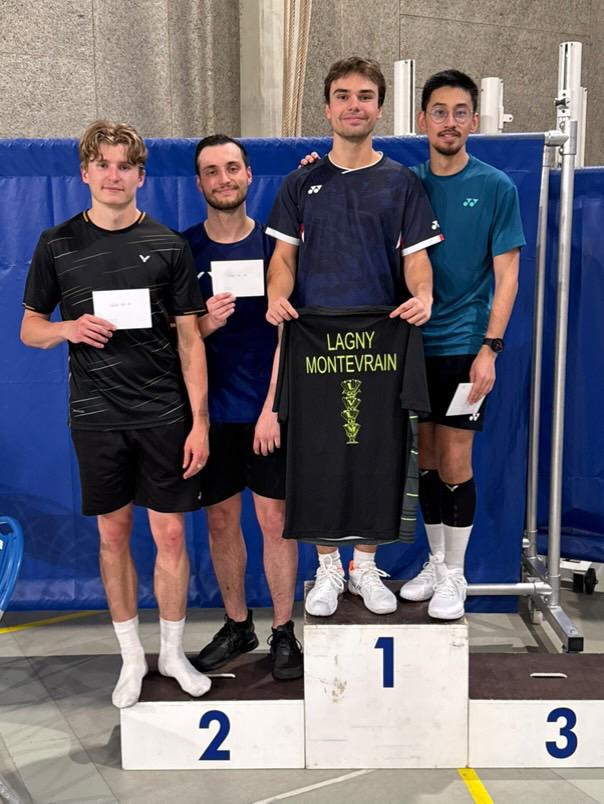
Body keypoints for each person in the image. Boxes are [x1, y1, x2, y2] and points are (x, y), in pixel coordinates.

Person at [20, 120, 212, 707]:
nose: (113, 175)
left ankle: (172, 653)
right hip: (96, 416)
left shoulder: (169, 245)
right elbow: (30, 329)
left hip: (164, 414)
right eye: (102, 164)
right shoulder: (56, 244)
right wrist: (67, 328)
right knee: (112, 533)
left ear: (140, 176)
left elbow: (190, 340)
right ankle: (131, 659)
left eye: (124, 165)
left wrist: (200, 422)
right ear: (85, 173)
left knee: (170, 533)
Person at [265, 56, 441, 618]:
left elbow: (417, 261)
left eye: (365, 96)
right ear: (327, 108)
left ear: (379, 108)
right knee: (318, 454)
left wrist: (423, 295)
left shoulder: (402, 183)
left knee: (375, 455)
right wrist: (276, 295)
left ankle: (364, 565)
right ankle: (327, 568)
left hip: (380, 344)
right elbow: (282, 259)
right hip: (314, 343)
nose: (353, 106)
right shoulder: (300, 183)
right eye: (343, 96)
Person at [399, 70, 525, 618]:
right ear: (422, 120)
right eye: (439, 112)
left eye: (459, 112)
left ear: (474, 120)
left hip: (465, 348)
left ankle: (456, 573)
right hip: (411, 349)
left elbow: (508, 276)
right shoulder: (406, 184)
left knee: (455, 460)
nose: (448, 122)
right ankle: (435, 563)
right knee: (426, 461)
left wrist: (489, 348)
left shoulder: (496, 187)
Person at [182, 135, 302, 680]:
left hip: (267, 411)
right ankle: (237, 624)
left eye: (232, 168)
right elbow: (176, 337)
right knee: (221, 519)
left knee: (274, 520)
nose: (223, 178)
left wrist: (272, 407)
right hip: (212, 415)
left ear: (249, 175)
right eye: (212, 171)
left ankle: (284, 631)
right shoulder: (184, 250)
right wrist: (205, 323)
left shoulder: (275, 246)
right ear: (199, 182)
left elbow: (289, 333)